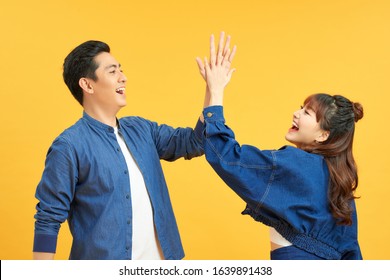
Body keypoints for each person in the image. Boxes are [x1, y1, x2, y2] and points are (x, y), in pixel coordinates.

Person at [196, 32, 363, 260]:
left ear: (324, 135)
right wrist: (211, 91)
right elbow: (352, 254)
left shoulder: (297, 165)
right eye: (300, 108)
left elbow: (226, 156)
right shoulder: (339, 181)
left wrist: (216, 90)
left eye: (307, 112)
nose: (296, 114)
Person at [33, 40, 204, 260]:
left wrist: (214, 91)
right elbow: (48, 217)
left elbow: (194, 142)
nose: (123, 77)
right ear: (88, 85)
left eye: (121, 69)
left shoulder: (142, 130)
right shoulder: (69, 146)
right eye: (113, 71)